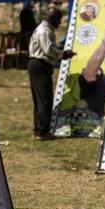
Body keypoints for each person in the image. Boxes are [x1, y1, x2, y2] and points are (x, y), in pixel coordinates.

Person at [27, 8, 75, 139]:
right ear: (52, 18)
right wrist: (63, 54)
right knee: (44, 99)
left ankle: (38, 130)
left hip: (36, 65)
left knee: (39, 99)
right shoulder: (45, 30)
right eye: (58, 20)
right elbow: (48, 50)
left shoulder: (43, 28)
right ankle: (43, 132)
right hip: (39, 65)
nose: (59, 23)